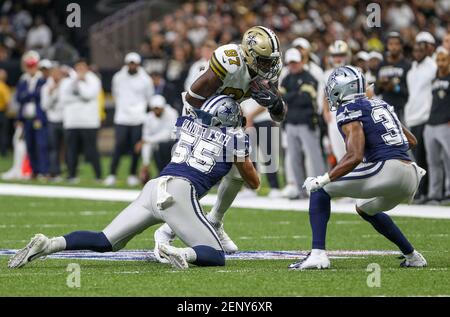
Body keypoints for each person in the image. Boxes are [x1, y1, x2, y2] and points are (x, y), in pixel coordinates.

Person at [8, 96, 259, 270]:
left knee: (104, 240)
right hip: (179, 192)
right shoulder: (234, 140)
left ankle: (50, 244)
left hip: (153, 188)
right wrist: (240, 158)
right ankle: (177, 252)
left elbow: (197, 109)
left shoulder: (187, 124)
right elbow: (254, 182)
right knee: (215, 255)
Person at [154, 26, 286, 255]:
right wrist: (209, 128)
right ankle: (168, 230)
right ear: (249, 54)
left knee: (239, 173)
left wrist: (275, 103)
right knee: (199, 171)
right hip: (199, 112)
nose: (270, 66)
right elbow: (194, 95)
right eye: (264, 61)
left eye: (271, 60)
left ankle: (215, 220)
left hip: (229, 117)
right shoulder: (229, 60)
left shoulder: (269, 71)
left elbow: (279, 117)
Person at [289, 66, 427, 270]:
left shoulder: (349, 109)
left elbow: (355, 155)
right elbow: (411, 141)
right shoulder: (381, 104)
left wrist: (324, 179)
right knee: (365, 208)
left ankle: (318, 254)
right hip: (410, 174)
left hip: (386, 170)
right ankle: (413, 256)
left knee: (319, 189)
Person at [104, 53, 154, 187]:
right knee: (118, 146)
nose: (132, 65)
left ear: (138, 64)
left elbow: (149, 97)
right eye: (130, 63)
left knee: (135, 148)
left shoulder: (145, 79)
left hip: (139, 118)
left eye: (134, 63)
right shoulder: (118, 78)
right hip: (122, 117)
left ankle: (132, 174)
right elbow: (116, 94)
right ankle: (112, 174)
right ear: (126, 64)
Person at [281, 48, 325, 198]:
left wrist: (289, 96)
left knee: (314, 157)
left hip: (307, 122)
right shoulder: (287, 78)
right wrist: (295, 94)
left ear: (301, 61)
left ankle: (321, 188)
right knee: (294, 158)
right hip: (291, 123)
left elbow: (306, 98)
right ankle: (301, 191)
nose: (293, 65)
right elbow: (280, 97)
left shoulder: (309, 77)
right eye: (290, 63)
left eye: (295, 62)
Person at [404, 41, 437, 203]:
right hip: (413, 117)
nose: (417, 52)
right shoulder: (412, 70)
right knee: (417, 158)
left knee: (425, 157)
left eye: (420, 50)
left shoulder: (432, 67)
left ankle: (426, 192)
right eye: (415, 49)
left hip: (425, 116)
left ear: (427, 51)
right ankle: (421, 191)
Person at [59, 60, 102, 183]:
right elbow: (63, 99)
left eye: (83, 67)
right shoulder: (68, 81)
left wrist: (78, 84)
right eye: (78, 67)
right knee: (71, 150)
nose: (80, 70)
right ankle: (72, 175)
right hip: (72, 121)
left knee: (92, 150)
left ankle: (98, 176)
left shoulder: (94, 79)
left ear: (87, 67)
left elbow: (88, 95)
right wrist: (76, 80)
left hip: (89, 122)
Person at [16, 51, 49, 177]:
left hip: (38, 117)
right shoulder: (23, 80)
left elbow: (40, 96)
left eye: (33, 66)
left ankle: (44, 170)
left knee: (41, 144)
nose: (31, 69)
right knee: (29, 145)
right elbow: (19, 98)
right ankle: (34, 171)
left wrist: (28, 95)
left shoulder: (41, 79)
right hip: (26, 117)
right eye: (29, 66)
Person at [423, 47, 450, 204]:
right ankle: (435, 194)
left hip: (445, 124)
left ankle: (448, 193)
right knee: (433, 161)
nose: (440, 63)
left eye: (444, 60)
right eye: (438, 60)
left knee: (448, 160)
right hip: (431, 123)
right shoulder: (433, 79)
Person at [135, 95, 178, 183]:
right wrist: (145, 163)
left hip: (172, 143)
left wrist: (147, 140)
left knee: (161, 145)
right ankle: (159, 172)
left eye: (158, 108)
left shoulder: (172, 113)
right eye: (154, 108)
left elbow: (168, 134)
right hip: (157, 144)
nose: (156, 111)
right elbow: (146, 139)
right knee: (154, 146)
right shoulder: (149, 118)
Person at [322, 40, 350, 162]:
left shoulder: (354, 70)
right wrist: (325, 111)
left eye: (341, 55)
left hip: (352, 113)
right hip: (334, 114)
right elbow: (324, 95)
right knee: (339, 152)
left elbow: (367, 92)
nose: (338, 58)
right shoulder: (326, 74)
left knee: (354, 149)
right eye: (335, 55)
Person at [376, 32, 410, 123]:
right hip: (384, 108)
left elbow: (410, 91)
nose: (393, 47)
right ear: (387, 45)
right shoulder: (381, 65)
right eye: (391, 44)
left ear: (401, 46)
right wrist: (381, 84)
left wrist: (395, 88)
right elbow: (376, 90)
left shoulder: (407, 65)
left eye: (396, 44)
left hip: (401, 108)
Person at [41, 65, 65, 179]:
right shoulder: (46, 87)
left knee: (67, 148)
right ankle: (55, 172)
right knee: (53, 148)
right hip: (52, 120)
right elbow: (45, 106)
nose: (56, 75)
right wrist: (51, 93)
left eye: (58, 73)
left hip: (66, 120)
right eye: (54, 73)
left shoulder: (66, 85)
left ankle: (70, 173)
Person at [0, 69, 11, 157]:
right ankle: (3, 151)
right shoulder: (4, 87)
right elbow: (8, 102)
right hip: (2, 112)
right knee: (3, 133)